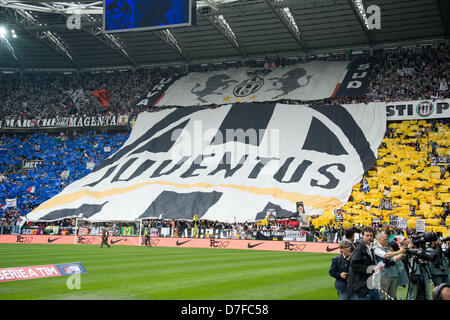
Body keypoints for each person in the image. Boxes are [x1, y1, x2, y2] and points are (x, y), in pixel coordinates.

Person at [347, 226, 383, 300]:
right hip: (362, 286)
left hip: (370, 284)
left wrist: (376, 269)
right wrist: (372, 269)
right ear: (362, 235)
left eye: (371, 235)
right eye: (367, 235)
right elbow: (354, 264)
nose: (369, 237)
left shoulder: (369, 248)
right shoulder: (360, 248)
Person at [373, 232, 407, 299]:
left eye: (386, 239)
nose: (386, 241)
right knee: (381, 297)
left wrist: (404, 251)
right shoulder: (376, 248)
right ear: (379, 239)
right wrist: (400, 251)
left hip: (392, 275)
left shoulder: (386, 248)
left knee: (392, 297)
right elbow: (386, 255)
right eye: (385, 239)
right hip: (383, 276)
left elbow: (394, 259)